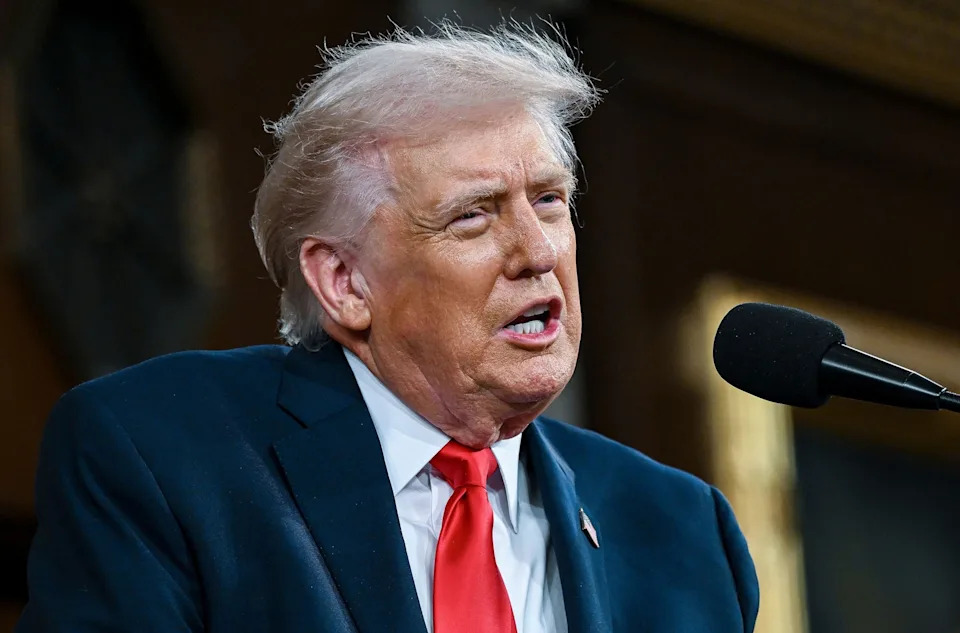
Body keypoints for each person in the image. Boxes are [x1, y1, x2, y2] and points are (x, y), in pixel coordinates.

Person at [17, 22, 758, 633]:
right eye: (475, 214)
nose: (538, 252)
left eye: (551, 200)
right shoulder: (163, 457)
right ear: (344, 282)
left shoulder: (683, 533)